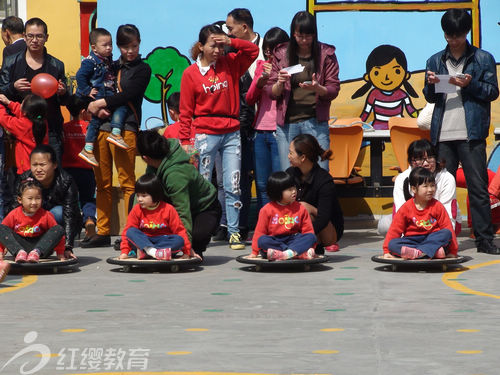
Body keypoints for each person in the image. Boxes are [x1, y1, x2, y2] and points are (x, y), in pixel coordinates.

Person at [423, 8, 500, 254]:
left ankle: (484, 239)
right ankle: (437, 235)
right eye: (448, 35)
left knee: (478, 188)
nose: (452, 40)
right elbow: (429, 97)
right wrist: (432, 85)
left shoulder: (483, 58)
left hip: (471, 133)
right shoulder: (435, 60)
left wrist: (469, 85)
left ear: (466, 32)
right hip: (443, 133)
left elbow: (492, 92)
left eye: (457, 35)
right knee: (438, 187)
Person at [178, 23, 258, 250]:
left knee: (233, 184)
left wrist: (230, 42)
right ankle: (199, 232)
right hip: (203, 134)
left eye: (220, 45)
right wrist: (185, 141)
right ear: (201, 47)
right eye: (213, 45)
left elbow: (251, 51)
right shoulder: (190, 74)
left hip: (232, 132)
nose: (217, 50)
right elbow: (185, 112)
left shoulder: (230, 64)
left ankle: (234, 232)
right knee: (202, 185)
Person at [84, 24, 151, 248]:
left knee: (126, 181)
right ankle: (102, 231)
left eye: (134, 46)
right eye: (125, 47)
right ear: (118, 47)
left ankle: (130, 231)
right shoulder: (109, 66)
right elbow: (94, 86)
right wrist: (90, 104)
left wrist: (102, 103)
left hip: (127, 128)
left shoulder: (143, 69)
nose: (130, 51)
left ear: (139, 43)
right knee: (101, 183)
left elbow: (130, 94)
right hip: (102, 127)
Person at [268, 11, 340, 171]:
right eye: (300, 36)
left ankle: (315, 198)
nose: (304, 40)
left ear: (315, 34)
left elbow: (333, 89)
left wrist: (317, 88)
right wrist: (280, 83)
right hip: (287, 124)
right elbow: (270, 91)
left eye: (308, 36)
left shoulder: (326, 54)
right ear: (293, 33)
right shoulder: (281, 54)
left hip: (315, 122)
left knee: (321, 171)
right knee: (289, 173)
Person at [137, 130, 221, 258]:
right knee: (139, 197)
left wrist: (187, 248)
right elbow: (144, 192)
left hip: (204, 208)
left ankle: (193, 247)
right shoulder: (156, 160)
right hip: (176, 202)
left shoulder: (175, 175)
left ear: (145, 158)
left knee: (196, 238)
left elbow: (183, 212)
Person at [0, 17, 68, 162]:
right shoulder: (11, 62)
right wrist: (13, 87)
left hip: (50, 130)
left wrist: (63, 93)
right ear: (24, 37)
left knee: (52, 174)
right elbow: (1, 92)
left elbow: (66, 100)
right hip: (21, 130)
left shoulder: (56, 65)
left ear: (46, 38)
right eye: (30, 36)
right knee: (21, 176)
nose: (34, 40)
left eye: (39, 36)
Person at [224, 8, 264, 238]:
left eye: (230, 29)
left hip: (263, 125)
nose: (227, 34)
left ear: (244, 28)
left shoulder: (266, 48)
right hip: (239, 126)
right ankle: (238, 227)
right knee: (238, 179)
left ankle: (264, 225)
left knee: (263, 179)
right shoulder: (230, 51)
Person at [377, 139, 461, 235]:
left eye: (430, 157)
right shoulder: (402, 179)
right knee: (384, 226)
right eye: (420, 159)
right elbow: (400, 213)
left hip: (437, 224)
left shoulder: (446, 178)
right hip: (412, 223)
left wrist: (444, 239)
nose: (425, 163)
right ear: (410, 161)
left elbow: (448, 216)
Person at [246, 27, 289, 210]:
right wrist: (260, 81)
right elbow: (249, 98)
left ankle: (283, 221)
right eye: (266, 49)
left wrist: (278, 76)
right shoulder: (260, 66)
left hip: (279, 130)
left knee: (280, 182)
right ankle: (266, 222)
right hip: (260, 130)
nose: (269, 53)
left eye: (274, 49)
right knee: (262, 183)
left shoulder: (290, 68)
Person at [13, 145, 80, 258]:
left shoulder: (66, 180)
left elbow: (70, 215)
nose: (38, 169)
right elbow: (14, 209)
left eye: (43, 165)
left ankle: (52, 246)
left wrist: (68, 247)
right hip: (29, 225)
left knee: (57, 213)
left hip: (54, 224)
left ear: (54, 165)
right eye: (34, 165)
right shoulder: (24, 179)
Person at [76, 27, 129, 167]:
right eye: (105, 45)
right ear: (94, 47)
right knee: (97, 120)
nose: (109, 48)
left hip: (107, 94)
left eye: (110, 44)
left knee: (99, 119)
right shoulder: (90, 62)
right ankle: (112, 134)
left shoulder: (107, 59)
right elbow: (80, 76)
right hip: (99, 95)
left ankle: (89, 148)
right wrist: (87, 90)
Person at [383, 167, 458, 259]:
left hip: (432, 239)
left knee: (446, 233)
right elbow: (394, 230)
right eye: (425, 186)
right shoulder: (406, 208)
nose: (430, 189)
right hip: (411, 240)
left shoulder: (437, 206)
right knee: (393, 244)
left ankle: (419, 253)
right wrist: (386, 251)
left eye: (432, 185)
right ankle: (430, 252)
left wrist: (453, 251)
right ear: (414, 189)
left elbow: (447, 227)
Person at [286, 134, 344, 253]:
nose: (288, 156)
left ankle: (313, 244)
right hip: (299, 227)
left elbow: (324, 218)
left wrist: (302, 237)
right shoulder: (290, 174)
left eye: (291, 153)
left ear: (303, 158)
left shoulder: (324, 180)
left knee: (303, 207)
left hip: (327, 229)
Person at [119, 174, 192, 260]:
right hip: (143, 241)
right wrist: (124, 252)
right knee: (130, 232)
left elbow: (179, 230)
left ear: (155, 194)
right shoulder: (136, 210)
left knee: (179, 240)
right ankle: (153, 252)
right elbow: (127, 232)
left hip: (163, 241)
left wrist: (187, 251)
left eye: (144, 195)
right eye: (138, 195)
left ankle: (148, 252)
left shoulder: (168, 209)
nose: (139, 199)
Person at [250, 171, 316, 260]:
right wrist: (254, 252)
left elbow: (307, 230)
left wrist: (309, 244)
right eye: (289, 189)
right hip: (275, 241)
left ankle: (285, 254)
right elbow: (259, 232)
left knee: (311, 237)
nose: (294, 191)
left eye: (294, 188)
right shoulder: (266, 210)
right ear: (277, 192)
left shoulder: (300, 208)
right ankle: (295, 253)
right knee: (262, 240)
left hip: (293, 239)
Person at [351, 44, 419, 130]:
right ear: (368, 77)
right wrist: (357, 125)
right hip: (378, 127)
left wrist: (420, 114)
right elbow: (365, 113)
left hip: (399, 126)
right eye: (377, 73)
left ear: (406, 75)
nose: (387, 78)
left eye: (396, 71)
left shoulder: (402, 95)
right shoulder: (373, 94)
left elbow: (411, 111)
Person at [0, 179, 65, 263]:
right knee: (1, 228)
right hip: (20, 246)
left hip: (41, 249)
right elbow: (3, 233)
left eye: (38, 198)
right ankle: (20, 252)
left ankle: (35, 253)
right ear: (20, 200)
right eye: (30, 198)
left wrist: (60, 252)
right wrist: (1, 250)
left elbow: (57, 234)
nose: (34, 202)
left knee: (58, 229)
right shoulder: (13, 214)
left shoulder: (46, 215)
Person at [62, 95, 97, 241]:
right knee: (87, 199)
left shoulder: (64, 128)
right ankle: (89, 220)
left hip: (68, 170)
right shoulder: (90, 127)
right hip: (87, 170)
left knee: (68, 201)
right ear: (84, 111)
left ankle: (69, 229)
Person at [0, 93, 48, 174]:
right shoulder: (42, 121)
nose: (20, 104)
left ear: (25, 112)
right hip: (39, 165)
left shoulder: (23, 126)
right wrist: (9, 103)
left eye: (22, 103)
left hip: (26, 168)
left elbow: (4, 119)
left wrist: (1, 107)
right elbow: (23, 112)